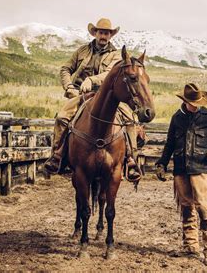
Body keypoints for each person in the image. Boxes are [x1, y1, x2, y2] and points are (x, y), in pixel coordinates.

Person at [44, 17, 141, 178]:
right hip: (82, 95)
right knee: (62, 117)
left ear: (111, 35)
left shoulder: (116, 56)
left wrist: (91, 80)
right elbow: (65, 69)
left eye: (107, 33)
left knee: (129, 118)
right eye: (101, 32)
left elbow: (109, 74)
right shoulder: (81, 51)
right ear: (95, 33)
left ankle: (131, 159)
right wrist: (69, 86)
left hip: (108, 97)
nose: (104, 36)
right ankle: (57, 156)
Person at [154, 83, 207, 266]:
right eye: (193, 102)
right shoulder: (177, 118)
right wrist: (162, 164)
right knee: (185, 208)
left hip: (201, 169)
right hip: (181, 169)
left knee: (204, 209)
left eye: (197, 102)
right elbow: (169, 144)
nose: (195, 105)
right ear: (186, 101)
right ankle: (190, 245)